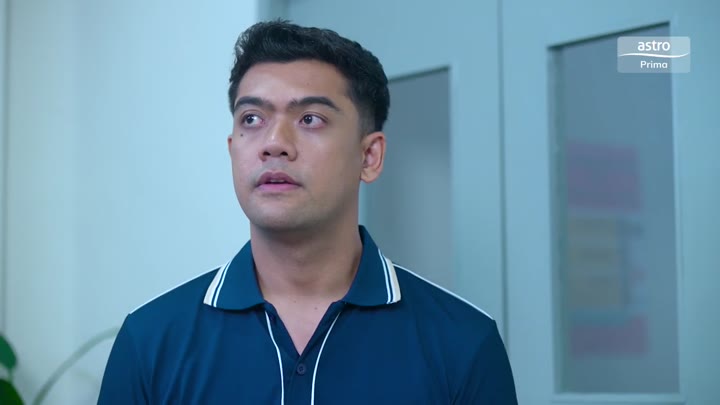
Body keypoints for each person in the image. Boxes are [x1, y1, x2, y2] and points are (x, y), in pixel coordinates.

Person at [98, 20, 517, 404]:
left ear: (369, 156)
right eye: (252, 118)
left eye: (310, 119)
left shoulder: (464, 343)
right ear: (232, 149)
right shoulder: (149, 341)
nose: (274, 143)